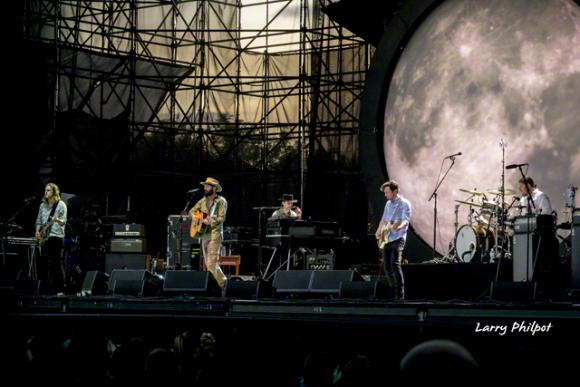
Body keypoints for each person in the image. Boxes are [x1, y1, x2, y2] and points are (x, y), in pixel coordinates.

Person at [374, 180, 411, 300]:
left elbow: (405, 221)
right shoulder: (388, 204)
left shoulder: (404, 204)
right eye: (384, 192)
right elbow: (384, 220)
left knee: (395, 264)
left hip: (399, 237)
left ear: (395, 191)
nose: (385, 195)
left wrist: (397, 226)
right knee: (386, 266)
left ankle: (400, 295)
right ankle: (393, 291)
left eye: (387, 192)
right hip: (387, 238)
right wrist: (379, 230)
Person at [190, 177, 227, 289]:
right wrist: (198, 219)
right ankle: (216, 287)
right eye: (205, 186)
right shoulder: (202, 201)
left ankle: (223, 284)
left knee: (212, 263)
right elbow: (192, 211)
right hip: (203, 235)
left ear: (214, 188)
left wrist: (209, 220)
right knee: (208, 264)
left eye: (207, 186)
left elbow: (221, 218)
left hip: (214, 235)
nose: (205, 188)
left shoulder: (221, 201)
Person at [35, 182, 67, 294]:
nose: (46, 192)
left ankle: (59, 289)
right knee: (42, 264)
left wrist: (57, 220)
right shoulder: (42, 205)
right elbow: (39, 221)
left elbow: (63, 222)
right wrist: (37, 232)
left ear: (54, 192)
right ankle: (43, 289)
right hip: (45, 238)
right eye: (45, 190)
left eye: (48, 190)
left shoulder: (61, 205)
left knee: (55, 264)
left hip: (56, 237)